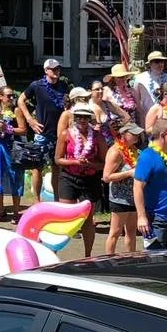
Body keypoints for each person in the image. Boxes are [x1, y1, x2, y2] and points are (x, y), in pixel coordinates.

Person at [55, 103, 107, 255]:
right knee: (65, 215)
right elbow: (58, 159)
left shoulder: (98, 137)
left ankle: (88, 254)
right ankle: (54, 252)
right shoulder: (65, 134)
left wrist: (90, 164)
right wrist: (75, 162)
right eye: (79, 117)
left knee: (87, 218)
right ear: (74, 118)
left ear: (90, 119)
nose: (82, 120)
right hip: (69, 177)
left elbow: (104, 163)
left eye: (85, 117)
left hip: (90, 179)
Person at [18, 59, 71, 203]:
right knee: (37, 167)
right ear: (46, 70)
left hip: (59, 133)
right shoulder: (37, 85)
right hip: (42, 133)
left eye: (58, 69)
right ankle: (37, 201)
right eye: (53, 69)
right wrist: (29, 119)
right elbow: (21, 100)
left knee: (56, 168)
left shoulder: (63, 86)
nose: (56, 72)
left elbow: (68, 105)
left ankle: (57, 201)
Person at [134, 118, 167, 249]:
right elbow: (137, 187)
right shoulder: (148, 156)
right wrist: (141, 216)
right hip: (156, 220)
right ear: (163, 135)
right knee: (156, 261)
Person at [0, 87, 26, 221]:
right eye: (9, 96)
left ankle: (15, 213)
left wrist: (8, 128)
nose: (11, 98)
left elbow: (23, 130)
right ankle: (1, 211)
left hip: (13, 150)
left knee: (15, 179)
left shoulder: (16, 111)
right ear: (0, 97)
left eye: (13, 96)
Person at [104, 122, 145, 253]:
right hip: (119, 198)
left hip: (133, 197)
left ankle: (130, 258)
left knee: (132, 231)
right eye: (134, 134)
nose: (137, 136)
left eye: (138, 134)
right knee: (115, 232)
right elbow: (106, 177)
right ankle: (108, 260)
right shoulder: (115, 151)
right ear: (123, 134)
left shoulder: (135, 150)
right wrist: (128, 173)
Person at [132, 51, 167, 120]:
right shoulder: (140, 79)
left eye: (162, 62)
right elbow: (136, 102)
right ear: (150, 64)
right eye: (157, 62)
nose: (160, 64)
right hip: (147, 117)